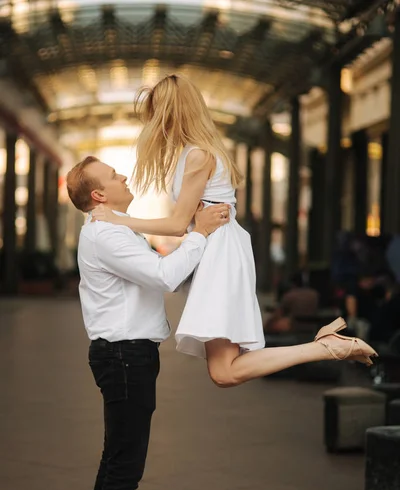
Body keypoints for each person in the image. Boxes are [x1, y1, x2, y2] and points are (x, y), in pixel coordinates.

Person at [92, 74, 377, 385]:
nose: (155, 125)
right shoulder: (197, 151)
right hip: (220, 252)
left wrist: (119, 219)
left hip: (221, 255)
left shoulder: (199, 155)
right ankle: (323, 346)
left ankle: (324, 347)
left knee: (225, 371)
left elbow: (176, 224)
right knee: (224, 371)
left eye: (157, 115)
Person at [66, 156, 231, 490]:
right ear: (98, 195)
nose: (123, 176)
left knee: (116, 464)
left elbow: (160, 269)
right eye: (114, 176)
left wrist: (194, 235)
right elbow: (164, 277)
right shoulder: (106, 236)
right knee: (123, 467)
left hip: (130, 356)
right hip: (123, 358)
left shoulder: (117, 229)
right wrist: (199, 233)